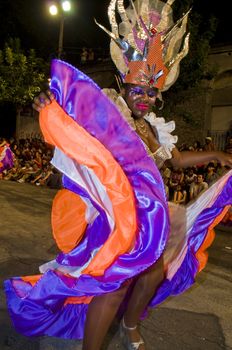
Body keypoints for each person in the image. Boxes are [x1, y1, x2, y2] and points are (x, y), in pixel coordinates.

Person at [4, 1, 232, 350]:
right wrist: (50, 103)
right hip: (116, 217)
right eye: (137, 90)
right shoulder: (111, 111)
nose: (144, 98)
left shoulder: (153, 128)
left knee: (153, 273)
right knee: (116, 283)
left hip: (152, 217)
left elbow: (177, 161)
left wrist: (218, 154)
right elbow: (79, 113)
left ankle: (129, 326)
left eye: (152, 92)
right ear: (122, 85)